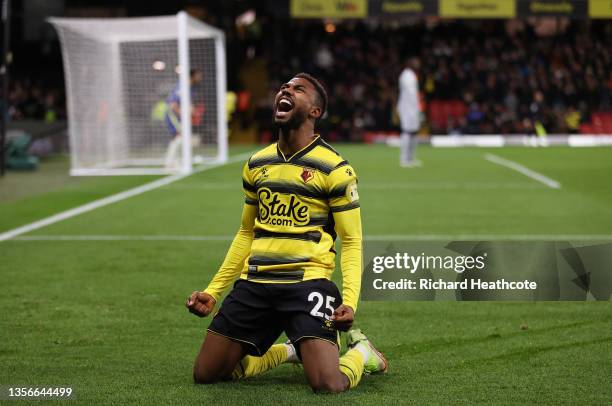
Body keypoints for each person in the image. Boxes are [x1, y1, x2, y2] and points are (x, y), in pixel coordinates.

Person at [186, 72, 387, 393]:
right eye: (284, 87)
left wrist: (349, 302)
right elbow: (246, 232)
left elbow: (351, 240)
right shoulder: (256, 163)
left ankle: (361, 353)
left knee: (328, 383)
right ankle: (292, 350)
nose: (286, 90)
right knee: (207, 374)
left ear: (314, 111)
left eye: (298, 89)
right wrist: (213, 291)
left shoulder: (335, 168)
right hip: (256, 285)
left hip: (307, 286)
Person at [164, 69, 203, 170]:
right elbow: (173, 104)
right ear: (192, 76)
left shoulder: (190, 88)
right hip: (172, 114)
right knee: (180, 136)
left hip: (178, 115)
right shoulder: (182, 86)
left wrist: (192, 111)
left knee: (178, 138)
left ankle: (174, 162)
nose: (200, 78)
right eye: (198, 75)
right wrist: (183, 114)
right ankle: (169, 163)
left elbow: (187, 103)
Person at [397, 57, 421, 167]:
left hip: (412, 108)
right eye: (416, 62)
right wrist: (417, 108)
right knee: (407, 132)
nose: (418, 64)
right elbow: (411, 95)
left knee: (414, 132)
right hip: (407, 108)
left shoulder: (411, 75)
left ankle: (410, 158)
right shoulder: (406, 75)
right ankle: (404, 160)